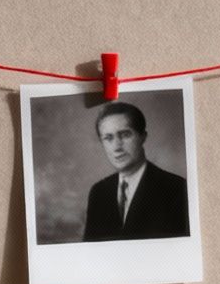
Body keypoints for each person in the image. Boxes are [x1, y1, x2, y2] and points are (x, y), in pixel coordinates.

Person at [80, 100, 190, 241]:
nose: (116, 147)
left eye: (125, 135)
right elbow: (91, 252)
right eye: (108, 138)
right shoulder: (98, 192)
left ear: (142, 137)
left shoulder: (176, 189)